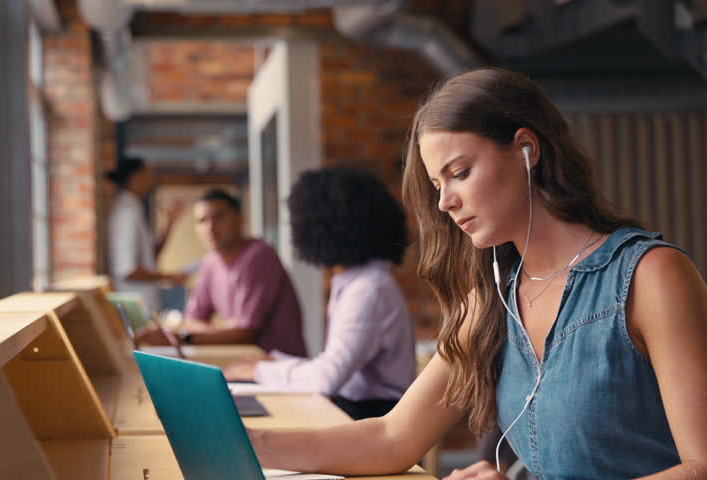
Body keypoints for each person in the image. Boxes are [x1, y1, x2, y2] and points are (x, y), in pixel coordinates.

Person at [245, 68, 707, 480]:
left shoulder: (652, 276)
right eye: (436, 185)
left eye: (459, 173)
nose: (445, 201)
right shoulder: (491, 299)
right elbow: (390, 438)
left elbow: (701, 466)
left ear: (526, 149)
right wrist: (249, 444)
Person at [224, 167, 417, 421]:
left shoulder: (368, 289)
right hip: (357, 410)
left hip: (371, 418)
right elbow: (333, 367)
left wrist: (259, 371)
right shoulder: (355, 281)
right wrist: (274, 363)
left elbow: (326, 379)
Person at [135, 188, 308, 357]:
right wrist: (224, 329)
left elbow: (245, 333)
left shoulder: (259, 256)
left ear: (241, 220)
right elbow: (192, 320)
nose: (210, 227)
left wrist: (181, 337)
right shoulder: (210, 262)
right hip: (244, 363)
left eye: (219, 217)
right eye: (201, 220)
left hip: (280, 368)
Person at [107, 157, 186, 312]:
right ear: (137, 177)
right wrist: (168, 277)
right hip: (136, 308)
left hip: (146, 305)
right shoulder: (126, 213)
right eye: (149, 174)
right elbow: (127, 270)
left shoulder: (134, 209)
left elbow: (151, 256)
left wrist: (170, 224)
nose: (152, 179)